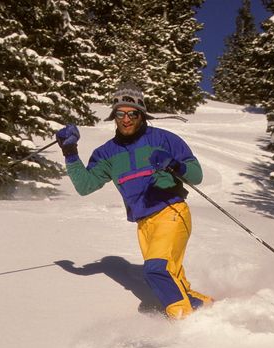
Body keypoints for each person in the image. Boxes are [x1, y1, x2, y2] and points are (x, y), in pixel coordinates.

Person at [56, 82, 213, 319]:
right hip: (144, 223)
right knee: (172, 278)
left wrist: (175, 165)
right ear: (114, 116)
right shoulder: (106, 153)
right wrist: (70, 152)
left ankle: (185, 322)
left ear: (142, 115)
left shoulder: (164, 139)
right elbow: (85, 185)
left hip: (172, 211)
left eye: (132, 113)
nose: (126, 119)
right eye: (120, 113)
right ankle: (208, 308)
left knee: (156, 270)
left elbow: (196, 175)